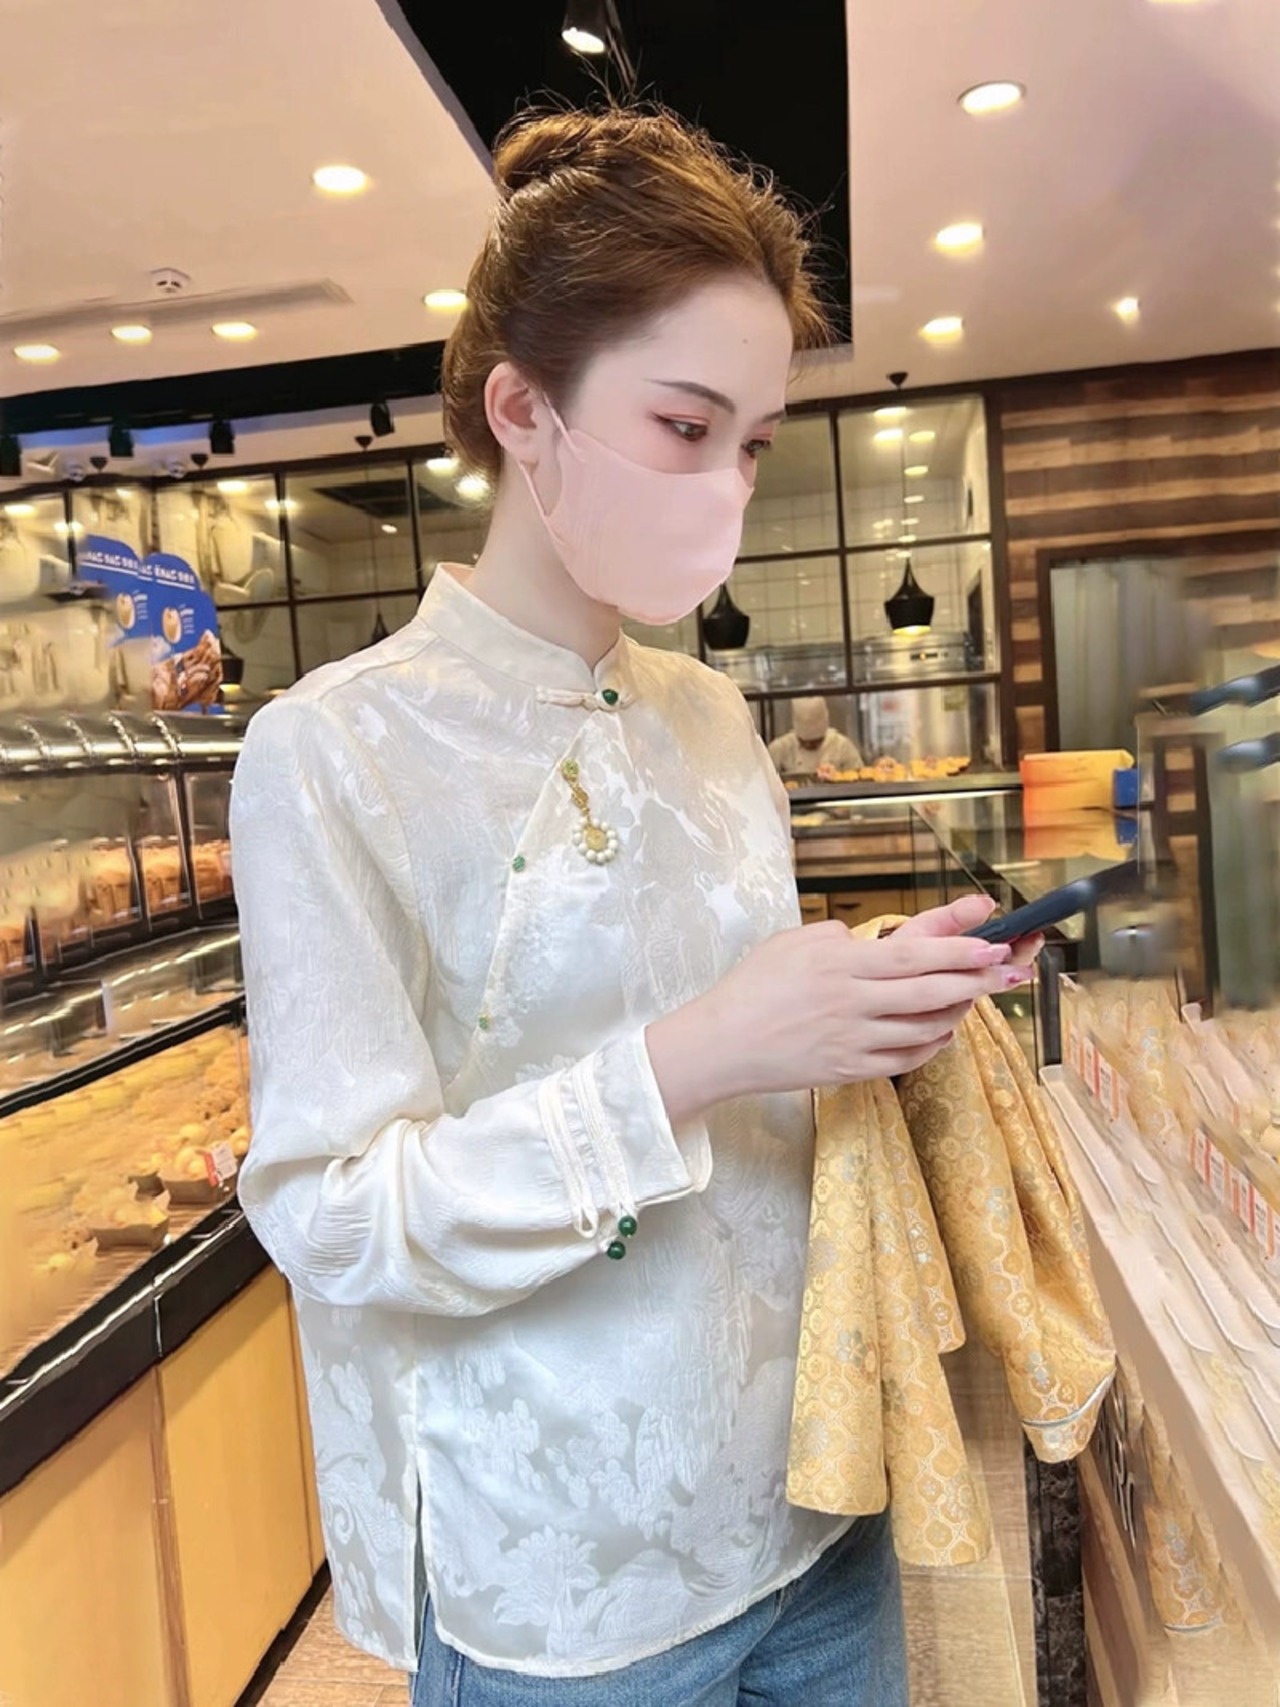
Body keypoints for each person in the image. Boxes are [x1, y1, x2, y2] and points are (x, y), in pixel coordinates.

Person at [231, 106, 1039, 1707]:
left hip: (819, 1483)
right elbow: (336, 1212)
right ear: (522, 410)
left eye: (754, 442)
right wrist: (695, 1053)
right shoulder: (334, 751)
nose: (727, 484)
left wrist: (869, 1003)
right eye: (685, 425)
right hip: (566, 1574)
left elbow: (753, 1057)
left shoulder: (712, 716)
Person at [768, 695, 862, 776]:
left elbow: (859, 778)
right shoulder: (780, 749)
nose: (809, 745)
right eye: (804, 742)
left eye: (816, 742)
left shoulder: (842, 747)